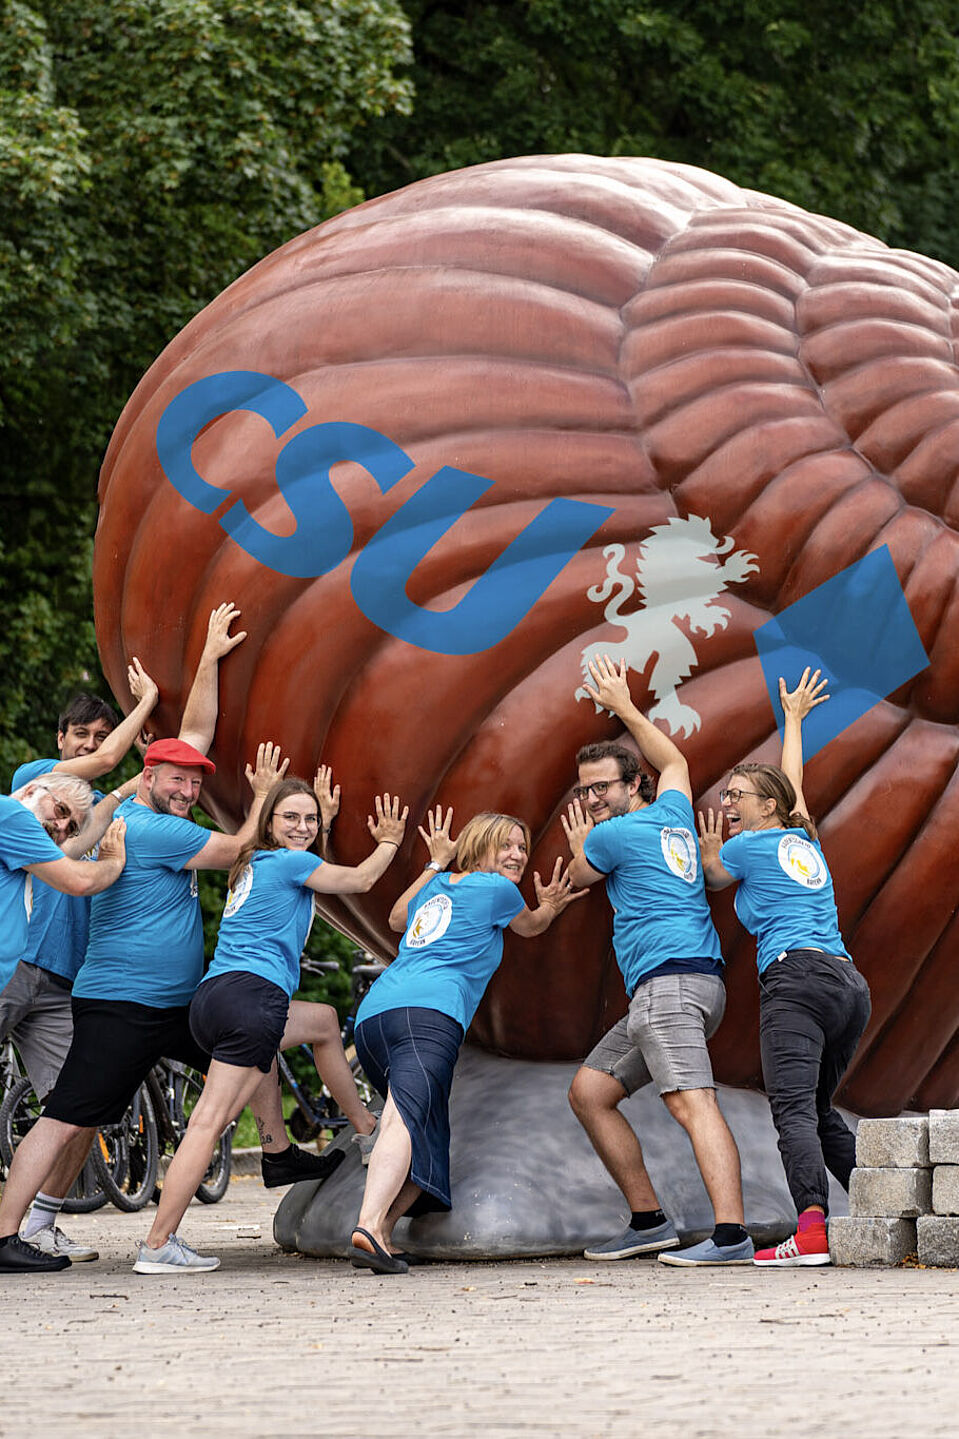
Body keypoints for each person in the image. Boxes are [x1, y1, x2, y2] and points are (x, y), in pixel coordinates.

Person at [0, 603, 312, 1272]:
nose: (190, 786)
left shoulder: (131, 806)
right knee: (65, 1115)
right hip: (118, 999)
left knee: (248, 1044)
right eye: (177, 779)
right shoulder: (108, 813)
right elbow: (234, 847)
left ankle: (279, 1149)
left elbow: (191, 736)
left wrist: (207, 654)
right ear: (147, 774)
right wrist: (262, 797)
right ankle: (11, 1232)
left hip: (168, 1003)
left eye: (194, 780)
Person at [133, 777, 407, 1273]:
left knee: (321, 1021)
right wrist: (389, 840)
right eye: (291, 818)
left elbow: (304, 867)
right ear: (269, 823)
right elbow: (360, 880)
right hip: (251, 999)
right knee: (209, 1122)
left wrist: (319, 825)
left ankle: (354, 1131)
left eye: (310, 819)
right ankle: (158, 1243)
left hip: (216, 997)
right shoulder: (291, 862)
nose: (302, 828)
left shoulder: (254, 862)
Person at [562, 656, 752, 1267]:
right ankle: (648, 1221)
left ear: (632, 786)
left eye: (603, 787)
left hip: (670, 986)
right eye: (584, 789)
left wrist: (575, 849)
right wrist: (624, 708)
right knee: (590, 1092)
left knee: (691, 1103)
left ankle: (731, 1237)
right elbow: (676, 761)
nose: (592, 798)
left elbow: (575, 879)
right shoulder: (671, 812)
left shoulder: (608, 836)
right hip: (684, 986)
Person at [349, 806, 583, 1274]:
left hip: (375, 1017)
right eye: (507, 846)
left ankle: (383, 1234)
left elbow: (397, 918)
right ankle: (368, 1226)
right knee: (405, 1117)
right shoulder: (497, 889)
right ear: (480, 847)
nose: (518, 855)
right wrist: (552, 906)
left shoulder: (438, 885)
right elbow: (530, 926)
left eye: (522, 847)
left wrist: (436, 862)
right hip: (429, 1013)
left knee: (428, 1134)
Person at [697, 668, 871, 1267]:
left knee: (793, 1110)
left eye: (736, 797)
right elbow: (793, 791)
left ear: (764, 807)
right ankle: (882, 1213)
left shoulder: (748, 846)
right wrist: (793, 721)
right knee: (818, 1110)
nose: (727, 803)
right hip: (848, 985)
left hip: (795, 981)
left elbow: (715, 878)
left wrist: (709, 848)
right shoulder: (803, 838)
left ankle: (812, 1234)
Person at [1, 662, 159, 1262]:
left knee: (81, 1102)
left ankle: (38, 1222)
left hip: (65, 978)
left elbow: (98, 802)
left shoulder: (86, 813)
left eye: (101, 734)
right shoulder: (33, 788)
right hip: (16, 966)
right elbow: (94, 776)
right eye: (82, 736)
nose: (92, 747)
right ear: (60, 742)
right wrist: (143, 706)